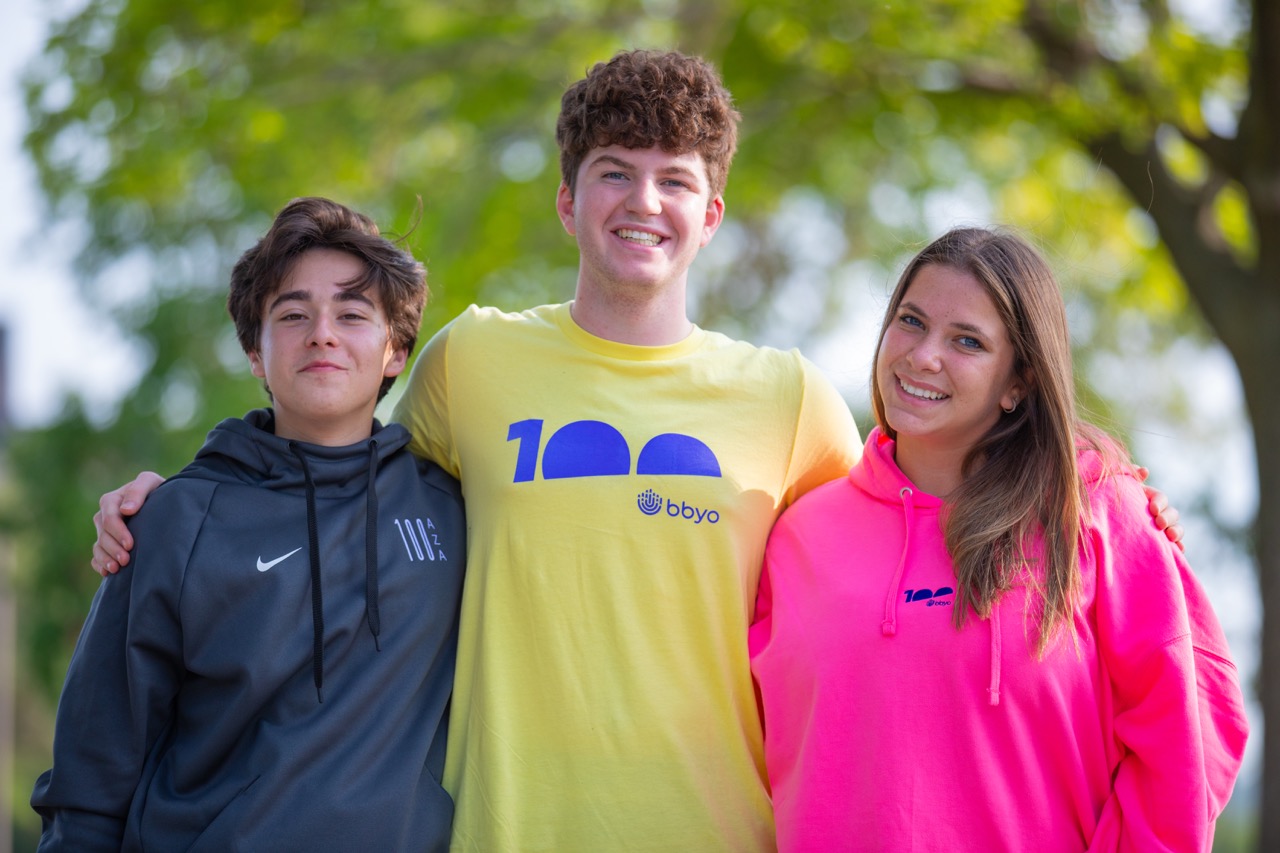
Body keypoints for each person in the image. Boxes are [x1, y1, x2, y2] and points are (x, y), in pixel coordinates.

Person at [86, 54, 1183, 851]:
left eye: (671, 179)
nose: (640, 201)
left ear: (711, 213)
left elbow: (906, 527)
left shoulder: (791, 398)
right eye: (613, 172)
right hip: (500, 833)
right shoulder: (473, 362)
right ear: (568, 200)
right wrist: (184, 492)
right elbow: (329, 457)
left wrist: (1076, 465)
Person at [749, 227, 1248, 851]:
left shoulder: (1090, 512)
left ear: (1018, 384)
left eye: (967, 341)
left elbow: (1196, 725)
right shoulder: (798, 534)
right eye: (911, 321)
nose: (923, 356)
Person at [32, 197, 466, 852]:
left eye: (352, 314)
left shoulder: (453, 512)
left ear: (395, 351)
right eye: (292, 315)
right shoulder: (177, 520)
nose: (322, 332)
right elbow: (92, 775)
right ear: (256, 353)